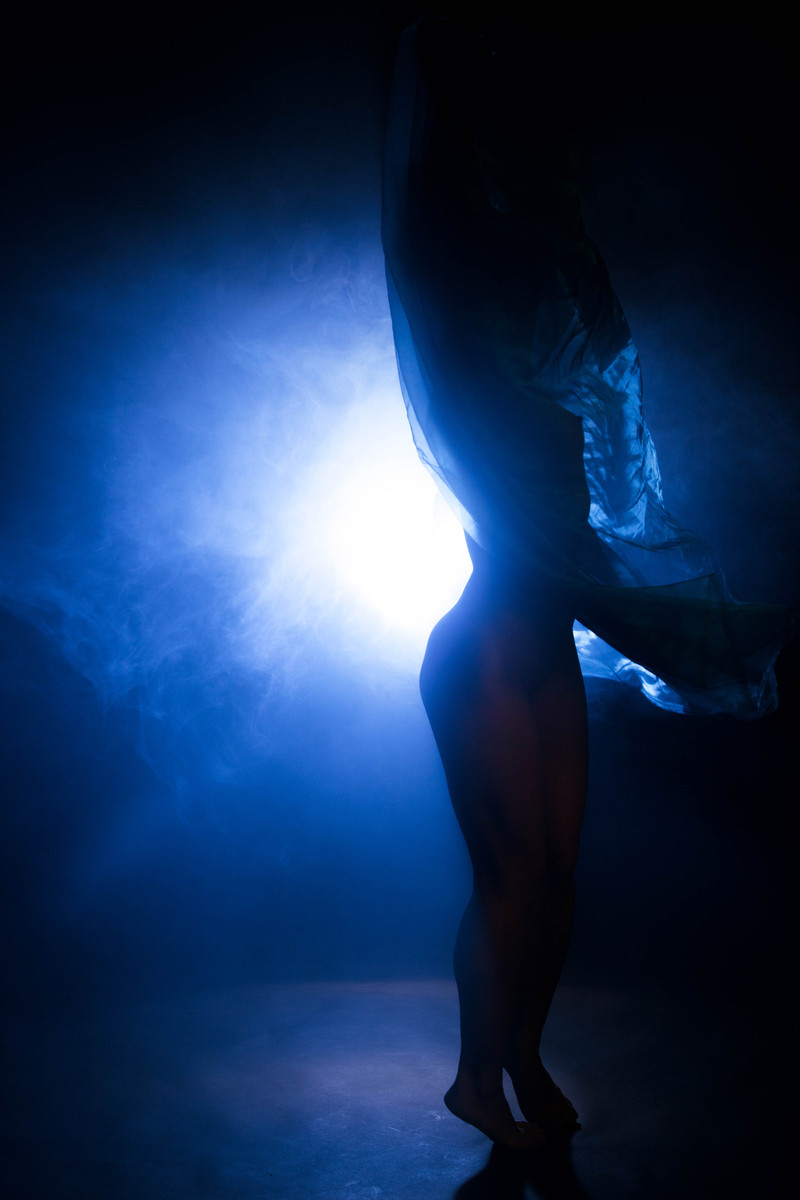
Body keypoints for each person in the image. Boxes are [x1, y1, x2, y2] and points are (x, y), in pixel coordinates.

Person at [382, 16, 794, 1149]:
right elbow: (436, 213)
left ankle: (522, 1053)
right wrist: (441, 68)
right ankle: (476, 1078)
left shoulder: (566, 408)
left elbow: (600, 540)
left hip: (542, 659)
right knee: (511, 880)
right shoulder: (471, 384)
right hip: (480, 660)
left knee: (556, 879)